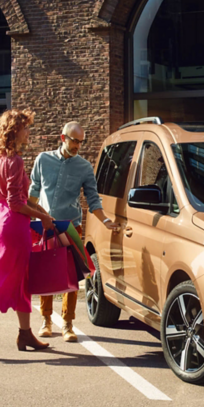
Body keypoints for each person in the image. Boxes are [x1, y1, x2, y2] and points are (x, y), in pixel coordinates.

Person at [29, 121, 119, 342]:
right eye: (74, 140)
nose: (78, 145)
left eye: (81, 141)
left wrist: (106, 220)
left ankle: (68, 324)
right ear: (63, 138)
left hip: (71, 227)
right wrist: (29, 219)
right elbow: (32, 193)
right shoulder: (43, 160)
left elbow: (93, 200)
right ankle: (46, 321)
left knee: (71, 276)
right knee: (47, 273)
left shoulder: (84, 167)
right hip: (46, 226)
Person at [0, 110, 55, 357]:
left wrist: (42, 210)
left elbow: (11, 198)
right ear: (14, 131)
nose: (28, 132)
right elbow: (16, 203)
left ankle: (25, 333)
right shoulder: (15, 160)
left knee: (10, 277)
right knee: (12, 279)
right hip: (13, 225)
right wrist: (41, 217)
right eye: (25, 128)